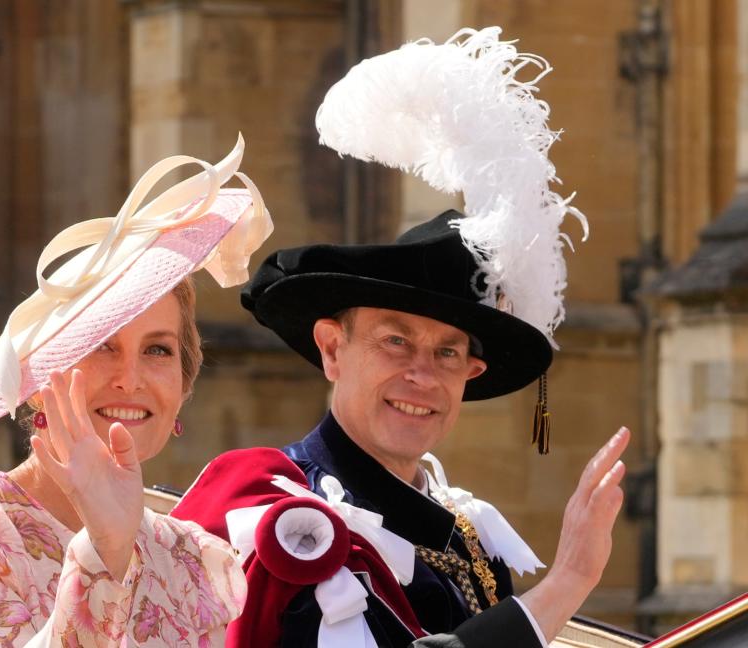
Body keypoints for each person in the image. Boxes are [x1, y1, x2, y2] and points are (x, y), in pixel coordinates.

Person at [171, 29, 629, 647]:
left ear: (470, 373)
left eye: (447, 352)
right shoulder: (265, 504)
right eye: (395, 342)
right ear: (333, 349)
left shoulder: (472, 546)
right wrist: (568, 579)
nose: (422, 375)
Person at [0, 136, 272, 647]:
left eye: (158, 351)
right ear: (37, 384)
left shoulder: (201, 560)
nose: (131, 379)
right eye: (102, 346)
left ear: (184, 385)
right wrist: (105, 548)